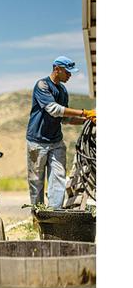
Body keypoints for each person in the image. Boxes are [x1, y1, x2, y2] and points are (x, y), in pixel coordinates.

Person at [26, 56, 96, 208]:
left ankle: (54, 215)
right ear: (57, 69)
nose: (70, 75)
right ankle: (37, 216)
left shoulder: (63, 90)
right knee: (36, 182)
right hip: (37, 142)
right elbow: (54, 110)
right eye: (68, 72)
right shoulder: (42, 85)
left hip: (56, 142)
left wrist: (87, 120)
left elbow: (64, 119)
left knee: (58, 179)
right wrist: (85, 112)